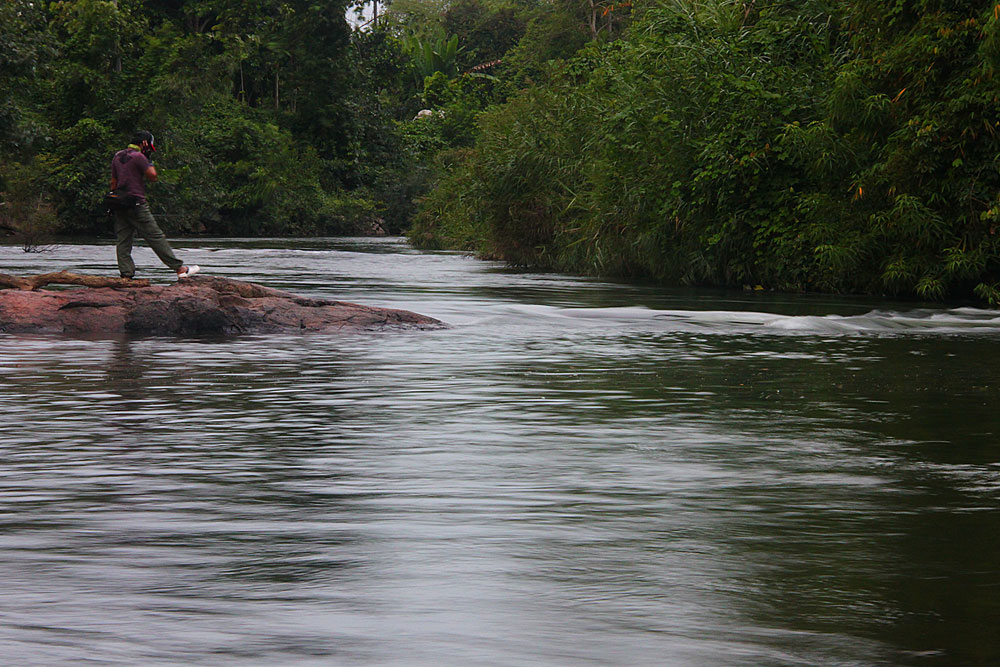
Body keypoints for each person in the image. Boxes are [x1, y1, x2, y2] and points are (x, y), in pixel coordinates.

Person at [109, 130, 198, 280]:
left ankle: (126, 275)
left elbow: (113, 182)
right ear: (144, 143)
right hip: (136, 204)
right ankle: (179, 269)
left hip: (119, 202)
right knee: (155, 236)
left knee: (123, 240)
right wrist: (148, 159)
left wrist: (112, 200)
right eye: (149, 146)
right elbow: (153, 176)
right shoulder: (139, 157)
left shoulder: (118, 156)